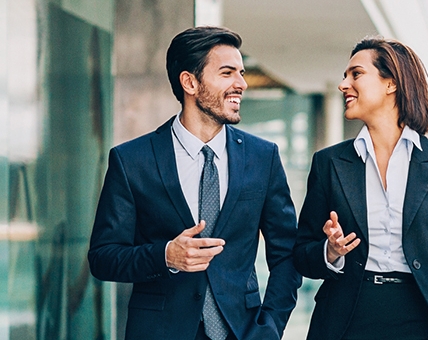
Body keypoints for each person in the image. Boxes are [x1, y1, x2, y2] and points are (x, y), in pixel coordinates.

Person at [88, 26, 301, 340]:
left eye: (241, 73)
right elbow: (103, 257)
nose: (241, 84)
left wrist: (269, 327)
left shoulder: (262, 156)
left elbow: (287, 254)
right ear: (189, 82)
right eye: (227, 73)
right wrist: (166, 255)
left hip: (242, 332)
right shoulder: (132, 160)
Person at [293, 36, 428, 340]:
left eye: (356, 74)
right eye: (345, 75)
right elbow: (302, 253)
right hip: (347, 316)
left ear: (391, 83)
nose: (343, 85)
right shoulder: (329, 162)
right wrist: (330, 251)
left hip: (425, 317)